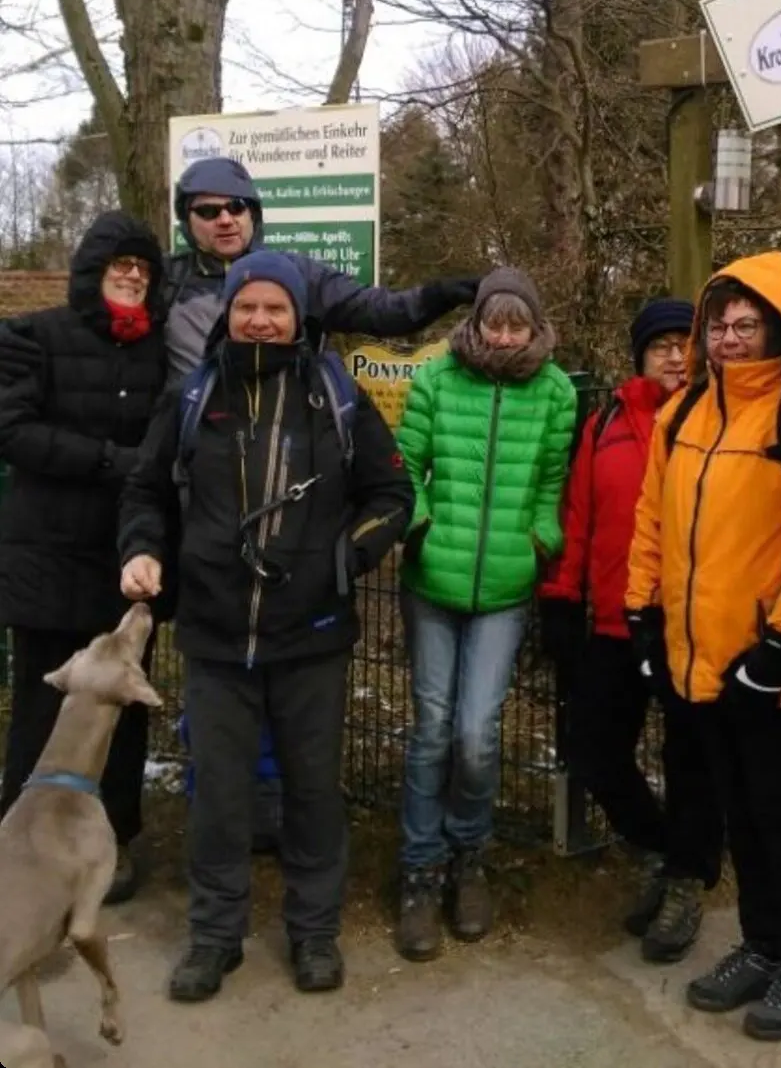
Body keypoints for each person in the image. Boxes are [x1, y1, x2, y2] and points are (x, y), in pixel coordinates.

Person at [118, 251, 414, 1003]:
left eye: (274, 307)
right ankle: (215, 936)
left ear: (297, 317)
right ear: (228, 313)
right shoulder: (194, 393)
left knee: (313, 791)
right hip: (216, 635)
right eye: (247, 305)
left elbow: (391, 492)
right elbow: (146, 488)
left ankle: (314, 932)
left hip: (312, 634)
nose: (259, 318)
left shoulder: (335, 394)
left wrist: (349, 556)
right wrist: (144, 547)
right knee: (218, 793)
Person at [627, 252, 781, 1042]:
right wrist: (643, 616)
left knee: (777, 811)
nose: (727, 335)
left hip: (768, 664)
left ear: (780, 326)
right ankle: (760, 944)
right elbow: (652, 520)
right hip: (696, 656)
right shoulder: (680, 413)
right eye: (718, 323)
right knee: (734, 809)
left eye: (746, 323)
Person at [394, 268, 576, 962]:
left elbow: (553, 482)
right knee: (432, 727)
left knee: (476, 731)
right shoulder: (440, 378)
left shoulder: (555, 390)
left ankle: (470, 856)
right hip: (432, 578)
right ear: (475, 323)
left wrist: (541, 540)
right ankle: (419, 869)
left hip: (505, 586)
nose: (503, 335)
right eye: (493, 322)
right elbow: (404, 461)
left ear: (534, 327)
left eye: (516, 323)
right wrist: (418, 522)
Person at [539, 297, 723, 962]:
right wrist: (562, 594)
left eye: (685, 343)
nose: (675, 355)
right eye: (660, 345)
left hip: (690, 623)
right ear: (640, 355)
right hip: (617, 618)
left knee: (690, 759)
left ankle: (685, 880)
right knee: (593, 746)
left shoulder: (717, 417)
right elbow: (579, 511)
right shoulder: (607, 420)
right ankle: (658, 847)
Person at [0, 211, 166, 906]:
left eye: (142, 266)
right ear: (91, 270)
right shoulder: (35, 336)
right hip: (46, 553)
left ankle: (114, 836)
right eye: (118, 263)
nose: (131, 273)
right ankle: (23, 841)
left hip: (124, 556)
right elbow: (13, 429)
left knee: (121, 707)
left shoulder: (161, 351)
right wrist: (111, 461)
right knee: (43, 703)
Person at [165, 157, 477, 378]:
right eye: (208, 211)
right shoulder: (164, 281)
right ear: (187, 223)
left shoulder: (296, 274)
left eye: (236, 206)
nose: (225, 219)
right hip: (194, 451)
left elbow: (378, 310)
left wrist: (440, 294)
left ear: (253, 214)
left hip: (284, 443)